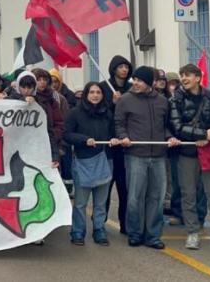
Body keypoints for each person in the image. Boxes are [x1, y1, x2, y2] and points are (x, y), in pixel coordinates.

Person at [169, 64, 210, 253]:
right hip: (187, 154)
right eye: (182, 75)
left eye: (188, 75)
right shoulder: (176, 99)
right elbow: (177, 127)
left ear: (198, 77)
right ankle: (192, 232)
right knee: (188, 194)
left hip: (209, 153)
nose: (183, 78)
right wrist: (200, 134)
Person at [115, 66, 179, 249]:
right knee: (135, 197)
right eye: (134, 79)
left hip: (159, 156)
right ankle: (135, 233)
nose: (135, 83)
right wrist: (123, 136)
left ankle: (153, 235)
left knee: (157, 198)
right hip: (136, 155)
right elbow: (119, 123)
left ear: (149, 82)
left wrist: (170, 137)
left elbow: (166, 126)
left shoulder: (162, 101)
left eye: (140, 80)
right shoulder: (125, 100)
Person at [64, 82, 119, 246]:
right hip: (83, 161)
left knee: (101, 201)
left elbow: (113, 133)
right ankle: (78, 232)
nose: (95, 95)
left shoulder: (107, 113)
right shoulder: (75, 113)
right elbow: (67, 134)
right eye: (92, 92)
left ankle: (99, 230)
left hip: (105, 159)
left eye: (98, 92)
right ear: (86, 94)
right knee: (81, 202)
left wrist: (114, 139)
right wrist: (83, 140)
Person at [101, 55, 132, 235]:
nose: (124, 70)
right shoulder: (104, 87)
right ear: (114, 69)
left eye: (126, 67)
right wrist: (112, 104)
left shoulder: (130, 88)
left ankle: (125, 223)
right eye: (120, 67)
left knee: (125, 188)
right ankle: (100, 222)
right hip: (109, 144)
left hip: (126, 144)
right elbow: (100, 113)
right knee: (105, 187)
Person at [9, 72, 60, 168]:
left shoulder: (40, 105)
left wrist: (55, 156)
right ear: (18, 86)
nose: (26, 90)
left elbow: (48, 131)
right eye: (23, 87)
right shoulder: (9, 102)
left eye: (29, 87)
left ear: (34, 88)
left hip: (35, 150)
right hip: (13, 151)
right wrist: (22, 100)